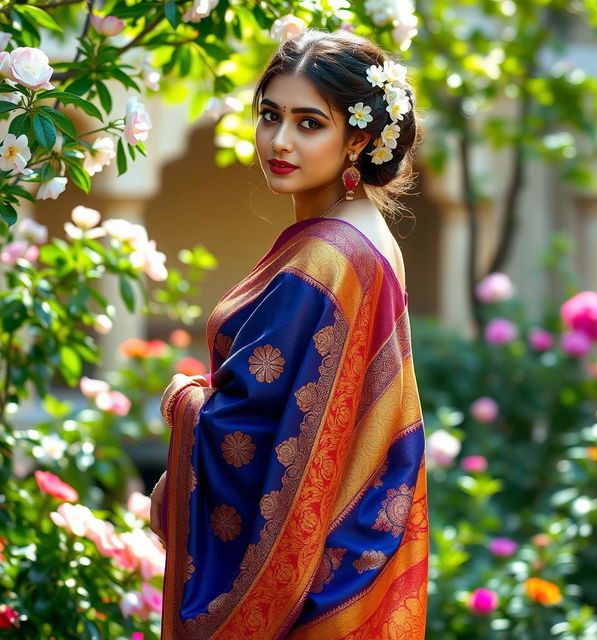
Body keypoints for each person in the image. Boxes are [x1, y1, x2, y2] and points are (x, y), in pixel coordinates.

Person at [151, 28, 429, 640]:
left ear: (357, 139)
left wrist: (184, 401)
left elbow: (249, 427)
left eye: (310, 124)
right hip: (349, 556)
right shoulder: (365, 233)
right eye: (269, 116)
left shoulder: (329, 258)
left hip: (306, 586)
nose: (278, 141)